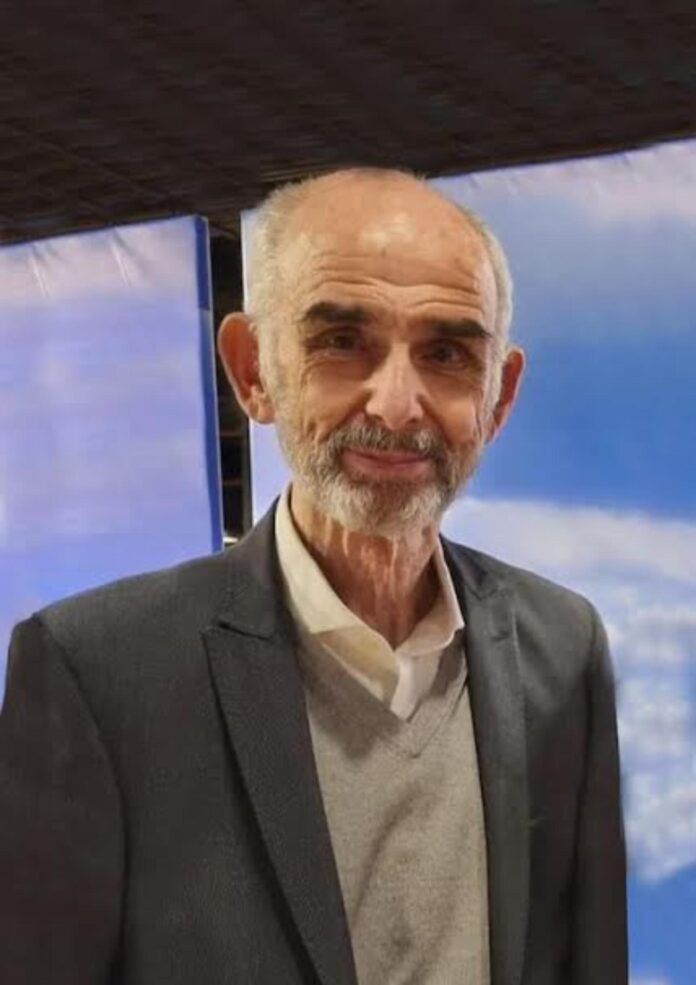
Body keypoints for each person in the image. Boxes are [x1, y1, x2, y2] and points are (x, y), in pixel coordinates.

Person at [0, 168, 627, 985]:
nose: (396, 404)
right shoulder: (99, 673)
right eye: (342, 342)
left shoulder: (561, 646)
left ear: (497, 397)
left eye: (445, 354)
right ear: (252, 370)